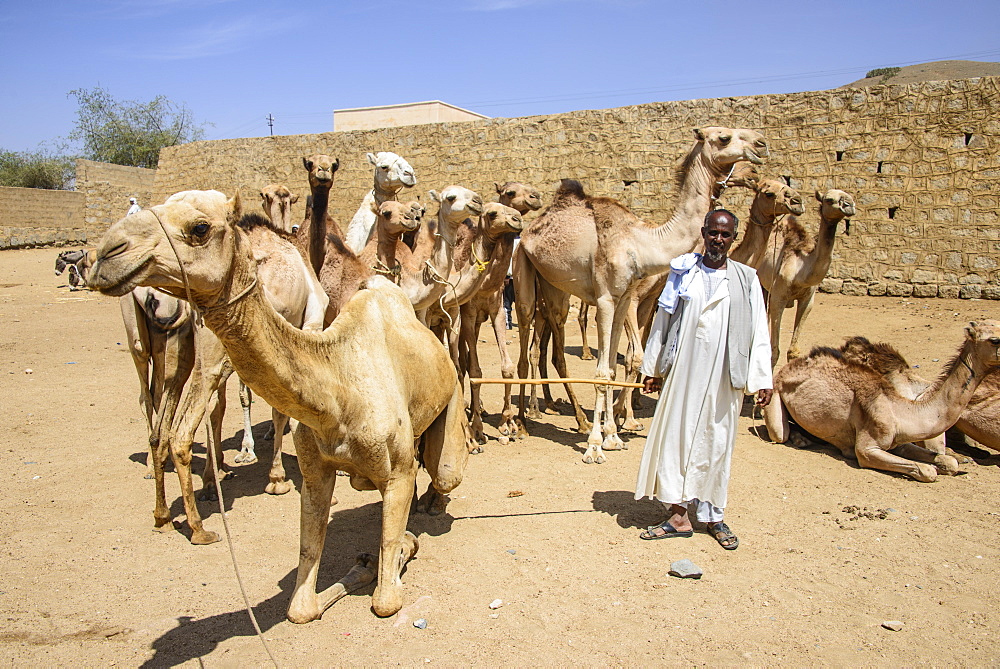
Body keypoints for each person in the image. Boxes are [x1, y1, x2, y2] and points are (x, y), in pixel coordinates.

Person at [634, 208, 772, 550]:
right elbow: (662, 322)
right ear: (704, 232)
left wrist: (762, 379)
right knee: (676, 439)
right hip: (684, 371)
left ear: (733, 238)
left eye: (725, 235)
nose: (718, 240)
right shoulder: (682, 272)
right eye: (713, 233)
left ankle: (713, 516)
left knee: (717, 442)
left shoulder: (747, 278)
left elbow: (758, 332)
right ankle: (678, 516)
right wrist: (652, 368)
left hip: (725, 377)